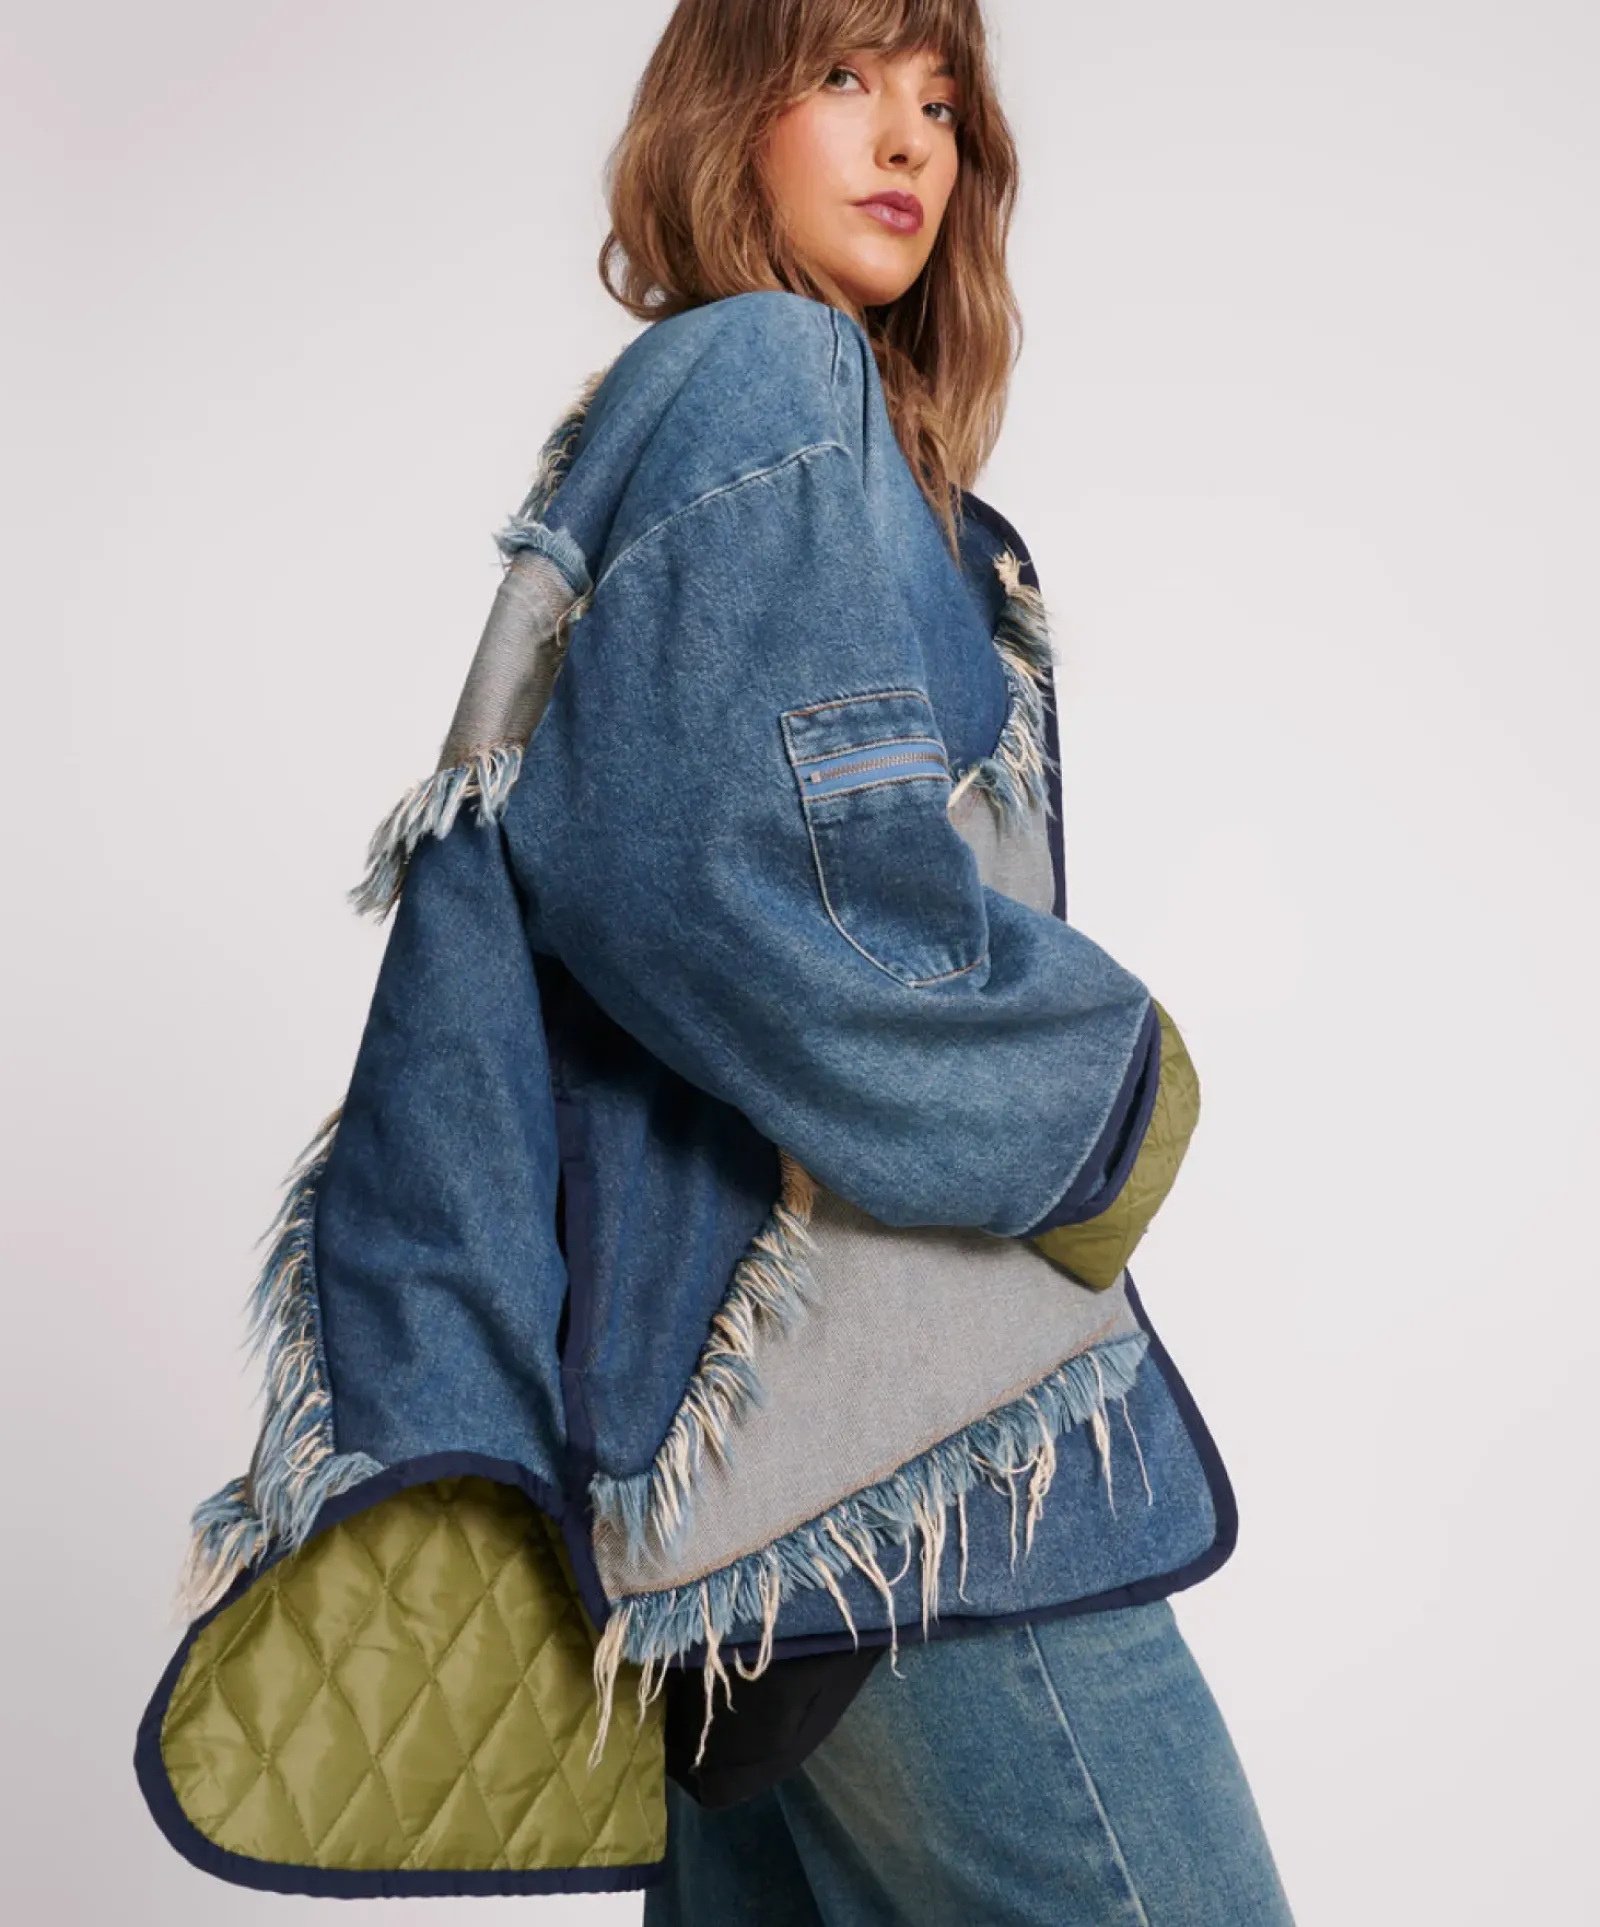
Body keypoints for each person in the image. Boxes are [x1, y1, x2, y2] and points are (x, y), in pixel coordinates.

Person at [571, 3, 1296, 1921]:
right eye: (844, 78)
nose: (908, 138)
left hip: (742, 1473)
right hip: (898, 1441)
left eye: (940, 99)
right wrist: (1106, 1097)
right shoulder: (768, 382)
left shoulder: (836, 459)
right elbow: (711, 883)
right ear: (732, 112)